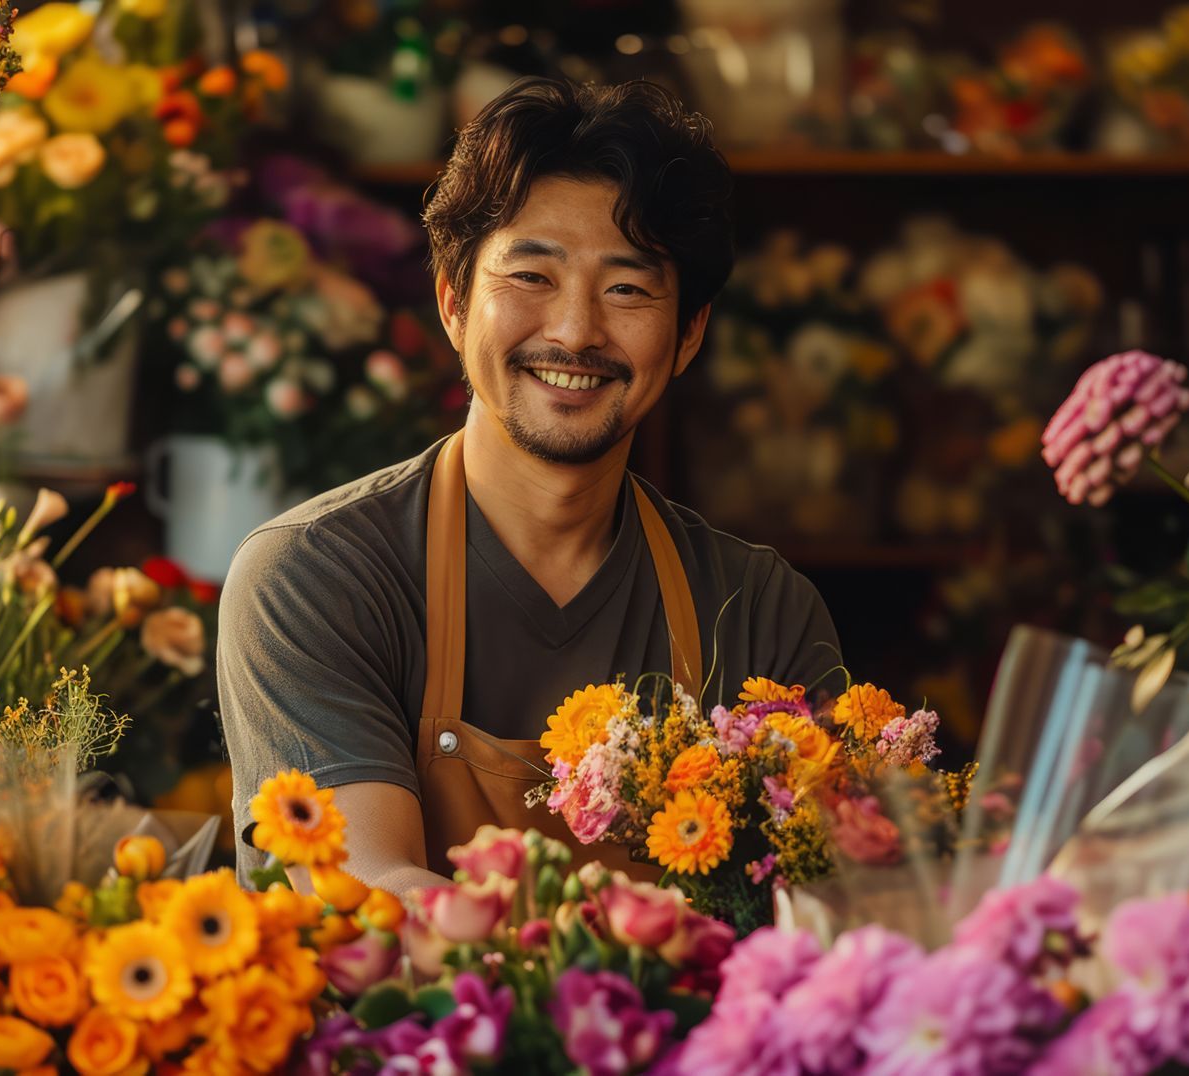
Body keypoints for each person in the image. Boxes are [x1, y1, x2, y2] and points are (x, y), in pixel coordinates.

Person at [219, 77, 841, 894]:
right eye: (531, 277)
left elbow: (826, 907)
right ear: (452, 302)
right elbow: (368, 899)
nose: (577, 331)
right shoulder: (316, 578)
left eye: (627, 288)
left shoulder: (761, 608)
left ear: (688, 334)